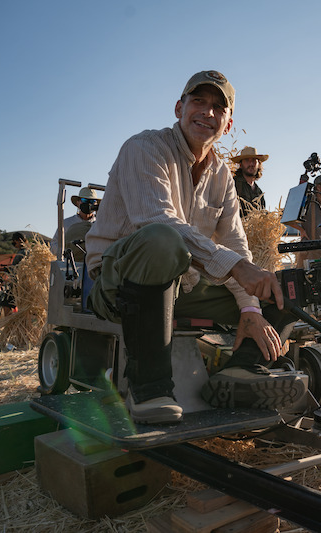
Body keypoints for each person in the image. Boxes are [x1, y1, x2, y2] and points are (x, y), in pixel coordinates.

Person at [85, 70, 306, 424]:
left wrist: (250, 308)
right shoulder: (144, 148)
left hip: (182, 282)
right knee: (162, 240)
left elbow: (235, 242)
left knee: (289, 288)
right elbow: (156, 221)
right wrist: (235, 267)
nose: (208, 112)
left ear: (228, 124)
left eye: (219, 107)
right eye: (198, 101)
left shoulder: (221, 175)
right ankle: (149, 388)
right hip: (120, 283)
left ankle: (241, 371)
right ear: (178, 107)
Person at [50, 187, 100, 261]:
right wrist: (65, 253)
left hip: (94, 265)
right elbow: (54, 245)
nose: (89, 204)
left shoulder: (100, 224)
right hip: (71, 266)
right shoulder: (67, 223)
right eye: (84, 200)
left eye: (92, 201)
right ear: (78, 203)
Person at [231, 146, 269, 216]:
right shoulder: (232, 184)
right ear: (240, 165)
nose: (251, 164)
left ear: (259, 164)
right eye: (247, 160)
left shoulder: (260, 193)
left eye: (254, 161)